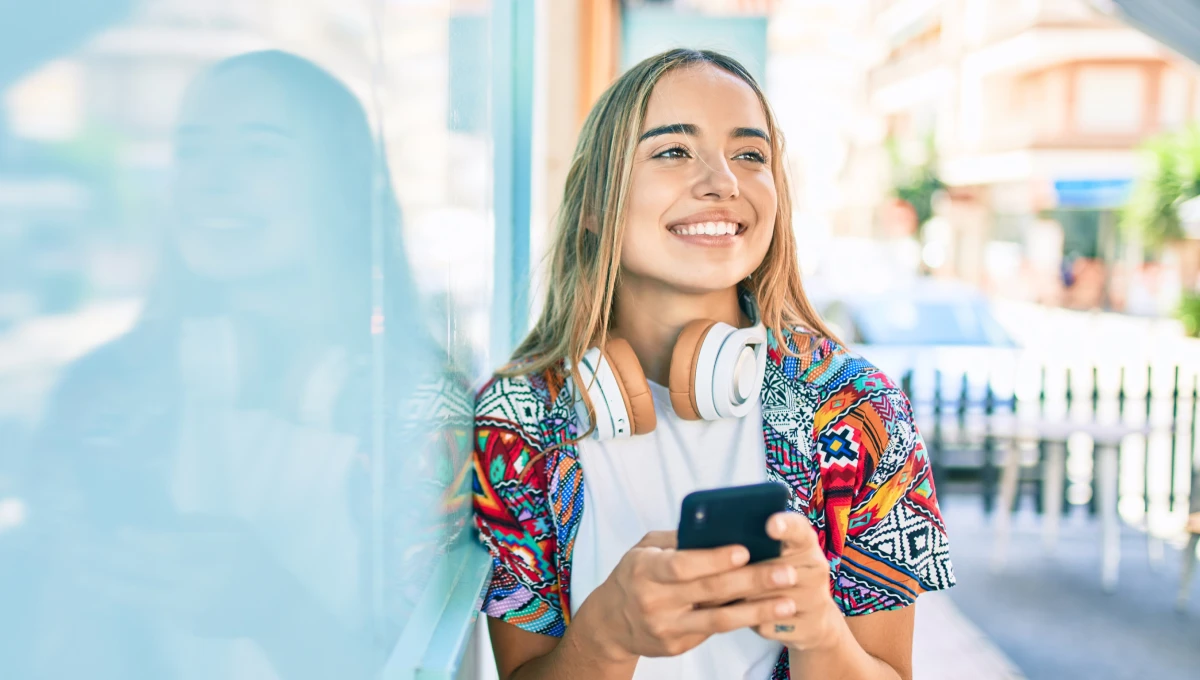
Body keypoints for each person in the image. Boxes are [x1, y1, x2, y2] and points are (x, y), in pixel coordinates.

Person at [472, 49, 955, 680]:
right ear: (593, 205)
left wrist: (819, 634)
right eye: (673, 150)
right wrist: (607, 636)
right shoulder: (519, 422)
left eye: (750, 155)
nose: (724, 181)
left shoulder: (856, 406)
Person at [20, 50, 456, 679]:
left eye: (260, 151)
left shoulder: (418, 411)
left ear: (342, 184)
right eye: (193, 151)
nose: (212, 183)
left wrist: (276, 611)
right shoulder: (104, 396)